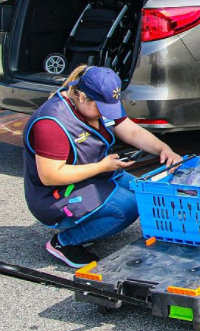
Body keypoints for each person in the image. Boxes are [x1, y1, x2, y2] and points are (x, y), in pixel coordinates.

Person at [22, 65, 181, 268]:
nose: (106, 112)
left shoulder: (101, 101)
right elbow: (51, 176)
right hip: (53, 194)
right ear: (81, 97)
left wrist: (163, 148)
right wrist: (101, 167)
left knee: (143, 193)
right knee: (127, 207)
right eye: (101, 107)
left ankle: (92, 222)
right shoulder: (51, 123)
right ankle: (64, 243)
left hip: (94, 174)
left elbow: (129, 130)